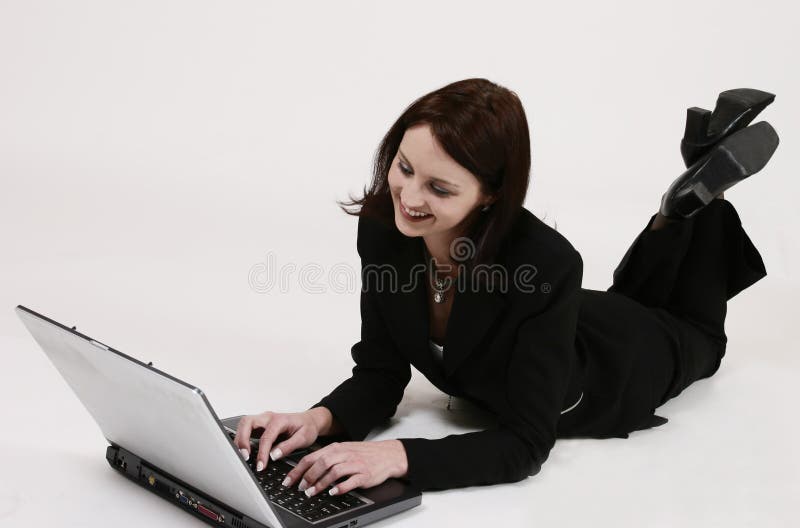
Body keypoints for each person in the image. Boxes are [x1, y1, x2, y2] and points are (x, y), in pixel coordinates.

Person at [233, 79, 780, 496]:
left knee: (700, 337)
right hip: (573, 316)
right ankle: (684, 199)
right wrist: (317, 420)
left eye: (439, 188)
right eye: (404, 167)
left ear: (492, 194)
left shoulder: (546, 263)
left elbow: (525, 443)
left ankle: (693, 207)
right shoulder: (384, 228)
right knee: (628, 295)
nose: (408, 196)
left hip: (613, 370)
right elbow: (379, 373)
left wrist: (401, 457)